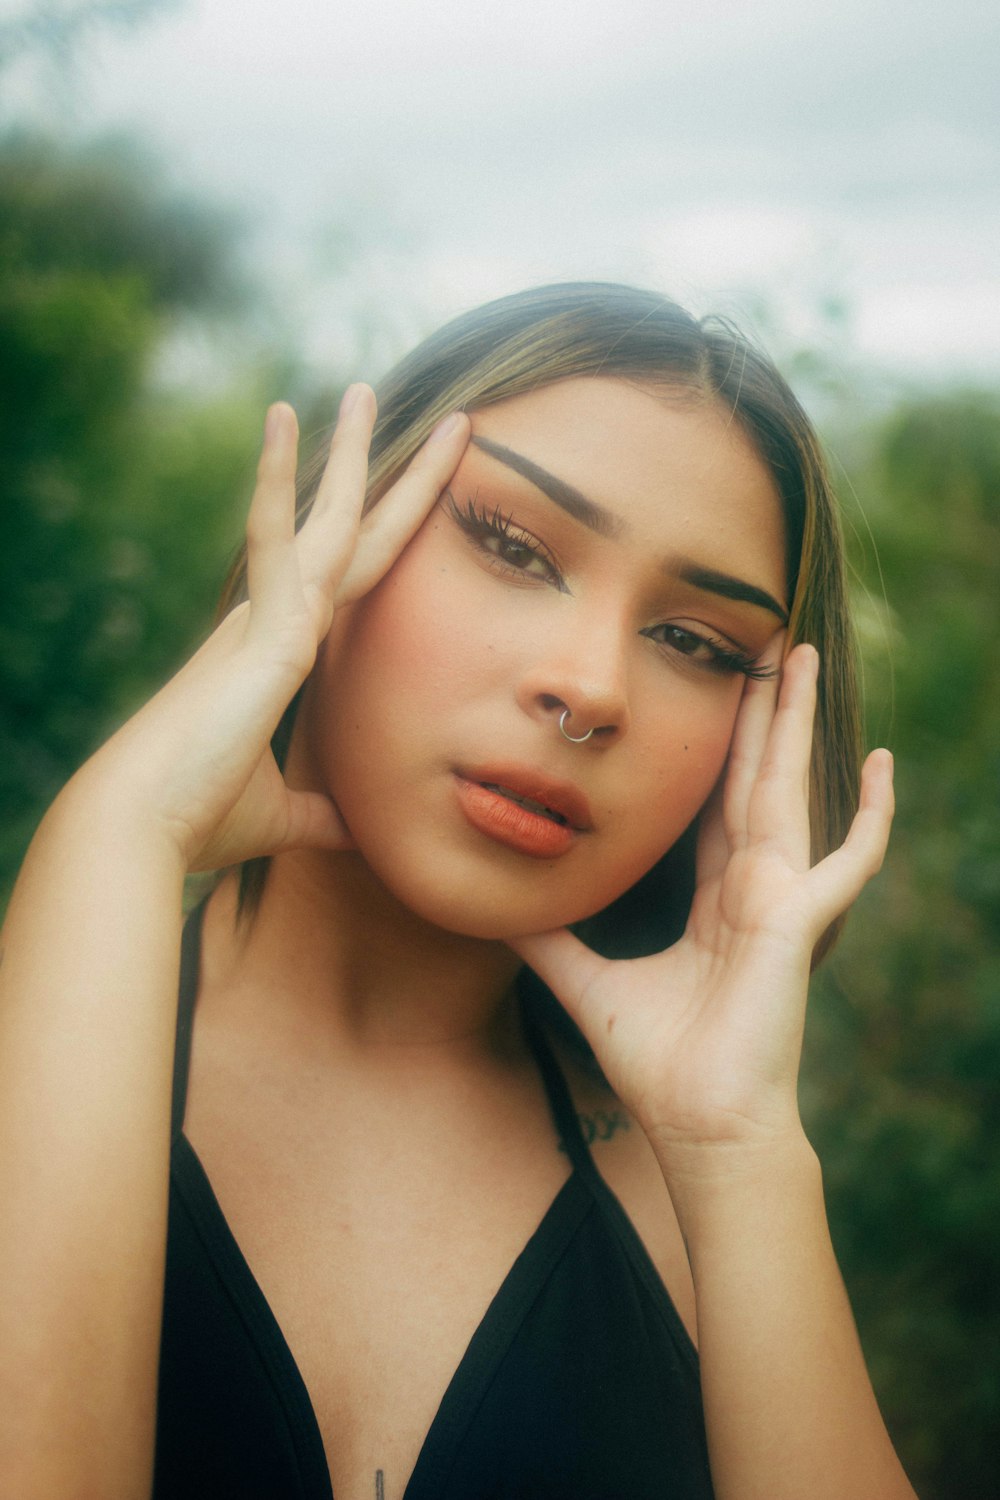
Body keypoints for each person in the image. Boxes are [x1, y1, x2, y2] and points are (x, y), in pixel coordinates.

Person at [0, 282, 916, 1500]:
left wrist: (736, 1147)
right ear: (344, 534)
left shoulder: (696, 1190)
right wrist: (119, 831)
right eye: (515, 547)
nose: (590, 689)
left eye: (693, 642)